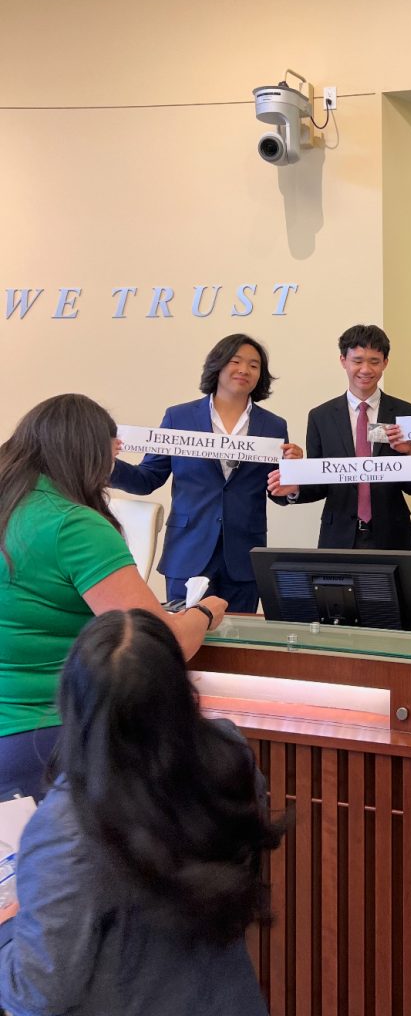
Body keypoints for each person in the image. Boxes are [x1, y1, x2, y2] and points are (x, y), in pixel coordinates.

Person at [0, 609, 283, 1016]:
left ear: (74, 700)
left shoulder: (69, 825)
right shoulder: (230, 755)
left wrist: (10, 925)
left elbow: (34, 991)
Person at [0, 394, 226, 800]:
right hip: (47, 739)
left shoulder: (12, 506)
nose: (115, 459)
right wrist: (205, 613)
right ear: (87, 449)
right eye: (113, 447)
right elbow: (157, 645)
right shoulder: (72, 524)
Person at [111, 333, 300, 610]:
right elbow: (147, 478)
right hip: (188, 551)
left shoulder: (273, 426)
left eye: (254, 365)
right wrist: (105, 463)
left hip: (244, 557)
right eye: (235, 361)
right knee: (184, 644)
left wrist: (293, 484)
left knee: (240, 644)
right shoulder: (179, 417)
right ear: (218, 365)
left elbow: (279, 491)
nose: (244, 370)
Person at [268, 324, 411, 549]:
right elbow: (319, 483)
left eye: (374, 361)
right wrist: (295, 488)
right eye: (357, 360)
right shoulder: (321, 416)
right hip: (338, 536)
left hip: (393, 535)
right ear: (343, 361)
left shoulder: (406, 413)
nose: (366, 369)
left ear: (385, 363)